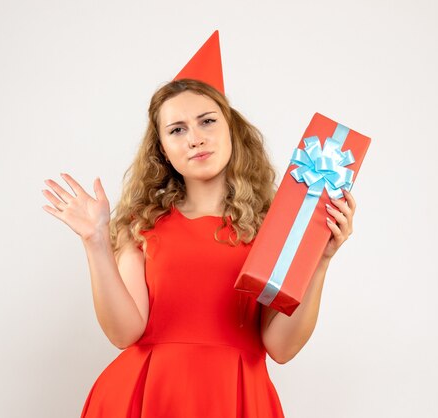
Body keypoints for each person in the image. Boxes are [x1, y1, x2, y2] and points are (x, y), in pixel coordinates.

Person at [41, 78, 356, 417]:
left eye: (207, 121)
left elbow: (280, 347)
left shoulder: (276, 231)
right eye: (177, 130)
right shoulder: (141, 227)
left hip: (237, 399)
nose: (195, 138)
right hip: (144, 395)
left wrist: (319, 261)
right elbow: (124, 333)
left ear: (231, 128)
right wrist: (96, 241)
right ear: (162, 148)